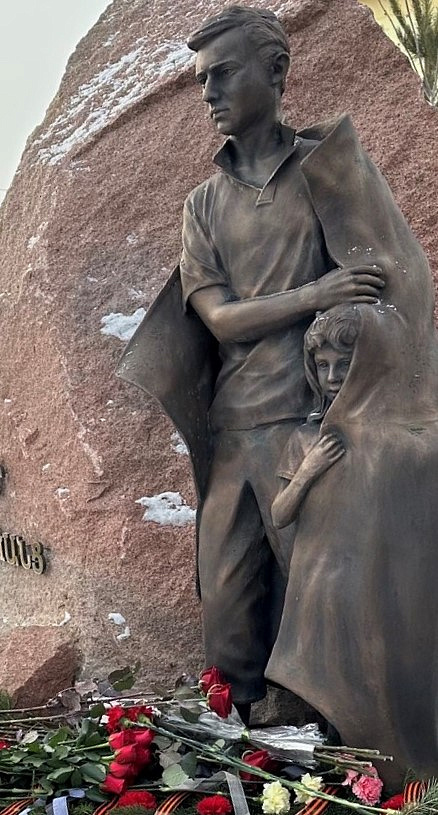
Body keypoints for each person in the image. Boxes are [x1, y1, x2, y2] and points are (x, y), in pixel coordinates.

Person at [178, 6, 384, 720]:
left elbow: (383, 292)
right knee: (226, 610)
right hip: (234, 430)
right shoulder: (203, 205)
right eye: (201, 80)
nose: (209, 92)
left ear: (275, 69)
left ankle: (342, 750)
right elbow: (220, 320)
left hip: (311, 426)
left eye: (223, 73)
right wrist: (316, 292)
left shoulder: (326, 172)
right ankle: (243, 750)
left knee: (321, 603)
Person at [271, 305, 360, 532]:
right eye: (322, 365)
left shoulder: (384, 434)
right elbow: (279, 516)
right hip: (318, 553)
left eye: (344, 364)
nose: (332, 377)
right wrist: (309, 469)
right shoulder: (306, 437)